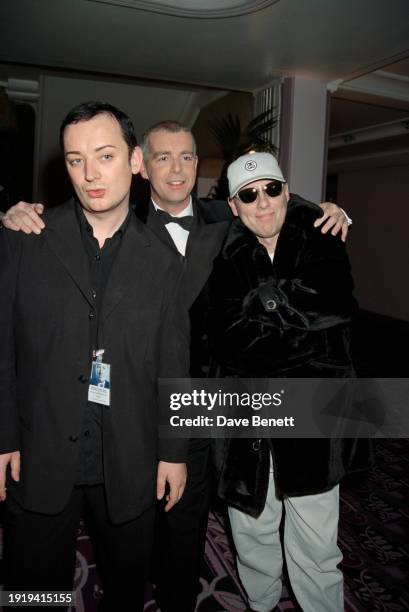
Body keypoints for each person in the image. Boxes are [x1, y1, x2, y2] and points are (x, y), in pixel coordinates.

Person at [1, 121, 350, 612]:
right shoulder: (117, 215)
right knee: (110, 539)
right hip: (129, 405)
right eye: (163, 156)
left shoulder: (225, 214)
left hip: (214, 403)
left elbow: (268, 200)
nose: (177, 168)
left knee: (191, 523)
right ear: (142, 165)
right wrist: (16, 212)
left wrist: (329, 211)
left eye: (187, 156)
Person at [0, 102, 189, 612]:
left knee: (128, 590)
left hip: (129, 454)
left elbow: (175, 360)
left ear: (134, 161)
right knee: (31, 595)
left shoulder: (166, 257)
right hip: (38, 450)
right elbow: (3, 347)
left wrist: (173, 451)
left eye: (104, 156)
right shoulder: (24, 238)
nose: (89, 175)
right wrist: (2, 438)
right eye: (75, 159)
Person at [191, 152, 371, 612]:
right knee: (252, 529)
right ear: (234, 205)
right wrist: (295, 324)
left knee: (316, 540)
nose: (264, 202)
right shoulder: (222, 252)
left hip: (313, 419)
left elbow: (334, 304)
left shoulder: (323, 233)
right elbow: (229, 340)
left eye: (272, 189)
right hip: (247, 420)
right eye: (249, 195)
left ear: (287, 191)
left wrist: (259, 304)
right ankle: (262, 603)